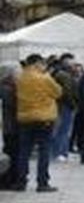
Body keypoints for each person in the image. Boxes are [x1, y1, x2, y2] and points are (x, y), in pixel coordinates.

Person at [14, 54, 63, 192]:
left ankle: (21, 181)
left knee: (24, 151)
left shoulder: (20, 78)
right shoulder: (44, 78)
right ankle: (42, 183)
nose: (44, 66)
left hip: (25, 119)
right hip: (44, 118)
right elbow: (58, 92)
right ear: (37, 63)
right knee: (44, 150)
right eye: (42, 63)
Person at [50, 57, 80, 162]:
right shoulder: (64, 76)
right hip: (65, 106)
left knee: (64, 130)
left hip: (63, 105)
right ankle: (59, 153)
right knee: (63, 130)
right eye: (73, 65)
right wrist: (73, 104)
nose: (76, 67)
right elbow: (67, 92)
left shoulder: (64, 75)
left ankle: (63, 152)